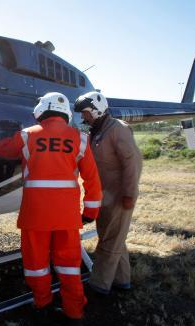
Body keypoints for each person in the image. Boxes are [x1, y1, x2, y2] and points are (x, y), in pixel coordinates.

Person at [0, 92, 102, 326]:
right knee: (70, 265)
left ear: (42, 110)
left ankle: (42, 304)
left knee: (37, 264)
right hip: (67, 216)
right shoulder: (80, 138)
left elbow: (3, 149)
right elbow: (92, 179)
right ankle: (74, 313)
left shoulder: (26, 135)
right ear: (65, 113)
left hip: (35, 215)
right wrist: (90, 211)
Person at [74, 91, 143, 295]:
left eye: (86, 113)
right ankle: (122, 280)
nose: (83, 117)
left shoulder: (118, 129)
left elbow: (133, 163)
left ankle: (99, 284)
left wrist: (130, 194)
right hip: (104, 195)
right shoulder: (95, 130)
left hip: (119, 195)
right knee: (113, 236)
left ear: (97, 110)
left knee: (109, 240)